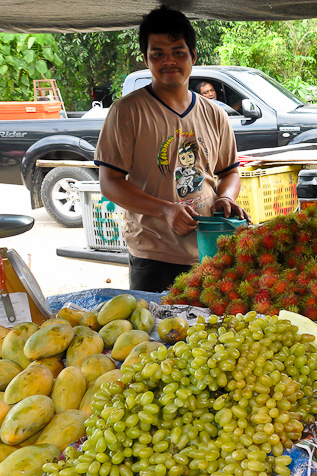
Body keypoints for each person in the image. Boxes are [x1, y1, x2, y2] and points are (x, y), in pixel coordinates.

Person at [94, 6, 248, 293]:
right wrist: (165, 210)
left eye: (178, 52)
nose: (169, 61)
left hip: (210, 249)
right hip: (154, 254)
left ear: (193, 56)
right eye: (158, 54)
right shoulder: (127, 112)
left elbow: (230, 172)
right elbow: (110, 184)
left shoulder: (215, 114)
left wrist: (226, 198)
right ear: (146, 59)